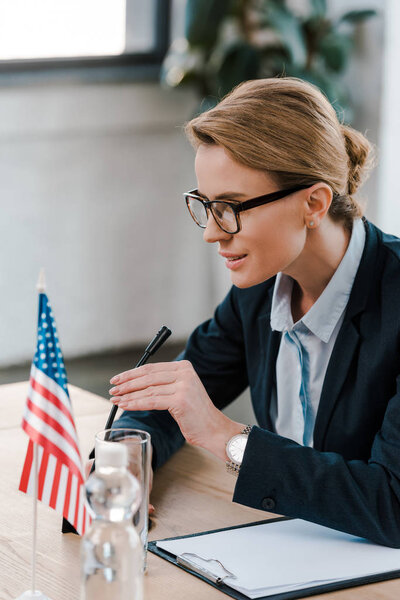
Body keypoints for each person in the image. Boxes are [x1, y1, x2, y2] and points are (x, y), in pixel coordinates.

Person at [108, 77, 400, 548]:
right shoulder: (259, 288)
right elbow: (174, 399)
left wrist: (227, 437)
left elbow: (393, 503)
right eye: (206, 206)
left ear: (314, 203)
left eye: (232, 207)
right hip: (285, 549)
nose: (212, 233)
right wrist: (126, 458)